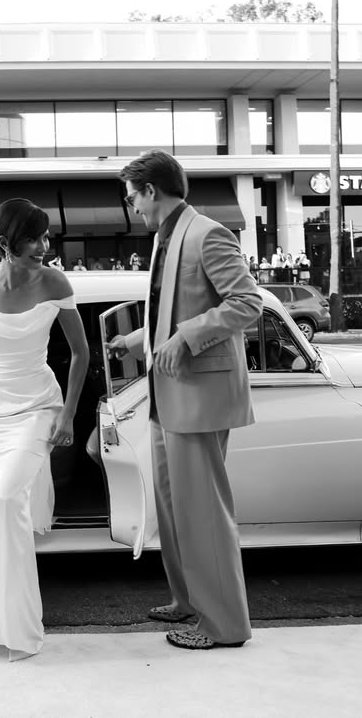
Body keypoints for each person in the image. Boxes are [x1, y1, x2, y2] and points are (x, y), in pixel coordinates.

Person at [107, 150, 262, 651]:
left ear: (152, 190)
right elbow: (172, 307)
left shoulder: (207, 233)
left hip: (198, 395)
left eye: (133, 197)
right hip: (166, 393)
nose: (132, 207)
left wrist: (185, 338)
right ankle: (189, 600)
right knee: (172, 509)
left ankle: (225, 627)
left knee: (202, 514)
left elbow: (247, 304)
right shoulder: (165, 237)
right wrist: (141, 342)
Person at [0, 198, 89, 662]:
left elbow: (81, 353)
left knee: (8, 498)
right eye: (34, 237)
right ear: (6, 241)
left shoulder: (53, 281)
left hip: (38, 408)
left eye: (45, 236)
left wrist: (68, 414)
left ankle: (23, 629)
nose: (43, 246)